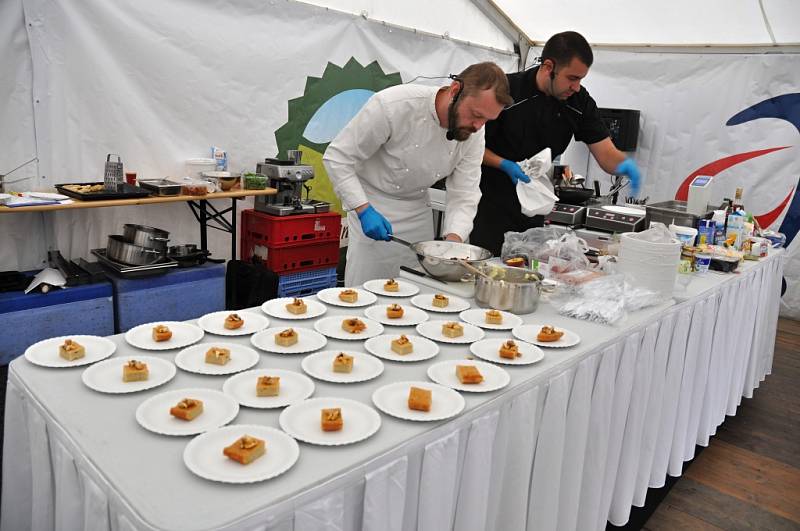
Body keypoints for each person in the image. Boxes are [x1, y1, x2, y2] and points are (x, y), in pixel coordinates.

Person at [324, 62, 513, 286]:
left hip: (416, 212)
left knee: (415, 290)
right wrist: (362, 209)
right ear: (455, 91)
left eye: (486, 121)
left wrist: (452, 243)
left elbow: (465, 193)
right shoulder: (393, 105)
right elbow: (338, 157)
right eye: (475, 115)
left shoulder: (475, 132)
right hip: (373, 206)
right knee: (366, 290)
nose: (478, 126)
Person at [470, 31, 642, 256]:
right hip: (489, 206)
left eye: (581, 79)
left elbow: (606, 152)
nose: (576, 87)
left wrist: (625, 166)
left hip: (534, 208)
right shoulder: (508, 90)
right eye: (572, 78)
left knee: (527, 273)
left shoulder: (579, 102)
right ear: (549, 67)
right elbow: (471, 146)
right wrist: (504, 164)